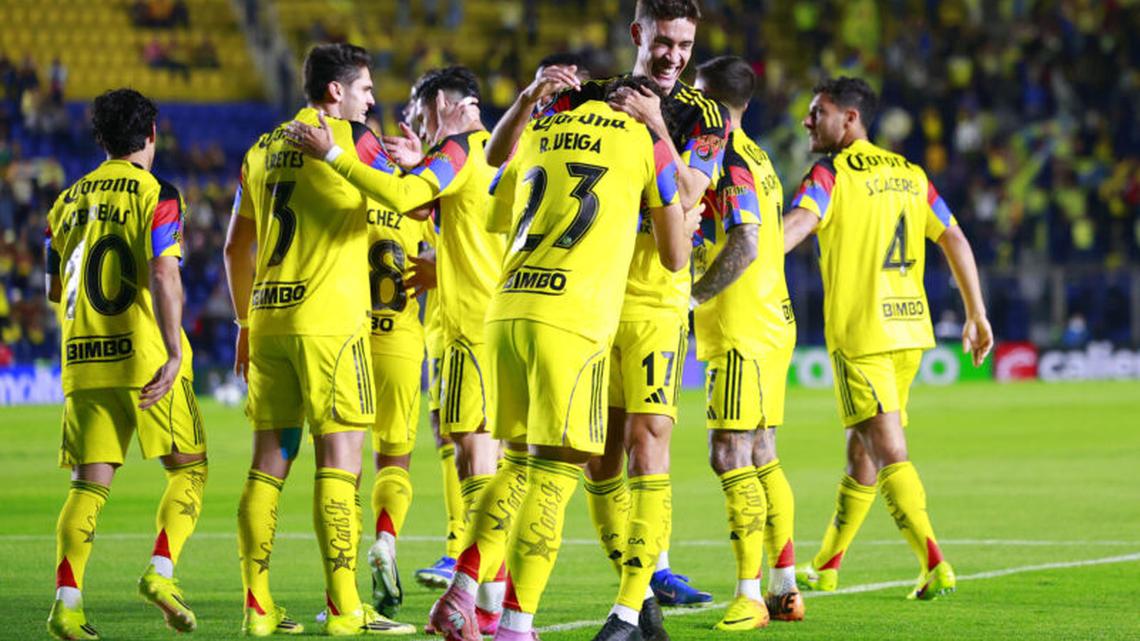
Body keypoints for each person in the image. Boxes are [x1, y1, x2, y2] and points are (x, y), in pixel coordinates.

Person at [486, 2, 728, 632]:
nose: (675, 55)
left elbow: (694, 194)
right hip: (588, 299)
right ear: (637, 35)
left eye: (685, 44)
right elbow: (501, 159)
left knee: (649, 446)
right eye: (664, 41)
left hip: (654, 302)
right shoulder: (587, 95)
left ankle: (623, 608)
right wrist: (529, 97)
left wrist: (655, 128)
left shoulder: (702, 117)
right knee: (596, 461)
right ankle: (642, 599)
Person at [285, 65, 513, 636]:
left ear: (440, 103)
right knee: (462, 457)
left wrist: (341, 159)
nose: (409, 117)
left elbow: (406, 195)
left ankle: (470, 594)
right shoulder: (486, 156)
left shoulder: (456, 155)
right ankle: (487, 599)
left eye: (419, 107)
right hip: (437, 333)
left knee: (372, 465)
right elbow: (439, 212)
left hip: (401, 331)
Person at [224, 43, 414, 636]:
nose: (372, 99)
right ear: (336, 91)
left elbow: (236, 246)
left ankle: (258, 608)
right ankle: (345, 609)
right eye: (365, 89)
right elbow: (406, 200)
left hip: (269, 321)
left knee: (266, 467)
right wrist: (408, 165)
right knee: (340, 463)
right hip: (330, 326)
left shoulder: (260, 148)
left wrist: (244, 325)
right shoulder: (353, 139)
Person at [783, 77, 993, 600]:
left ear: (849, 118)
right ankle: (828, 562)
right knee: (862, 448)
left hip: (863, 334)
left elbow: (798, 225)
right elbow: (955, 237)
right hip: (909, 331)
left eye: (818, 112)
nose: (808, 121)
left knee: (888, 449)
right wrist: (976, 313)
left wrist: (750, 249)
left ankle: (933, 562)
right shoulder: (910, 173)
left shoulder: (829, 174)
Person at [44, 88, 207, 640]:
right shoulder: (159, 193)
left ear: (100, 139)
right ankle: (161, 572)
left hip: (84, 358)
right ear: (152, 134)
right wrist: (174, 349)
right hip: (145, 358)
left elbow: (52, 288)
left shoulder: (63, 203)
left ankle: (67, 606)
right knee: (189, 467)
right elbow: (163, 273)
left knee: (87, 486)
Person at [690, 55, 805, 630]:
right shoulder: (759, 153)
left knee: (729, 455)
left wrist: (693, 296)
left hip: (740, 326)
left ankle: (749, 595)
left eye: (693, 96)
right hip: (771, 321)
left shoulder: (729, 155)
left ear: (709, 100)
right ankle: (784, 587)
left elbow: (747, 243)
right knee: (762, 454)